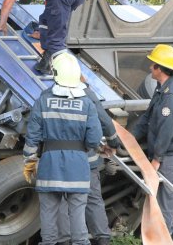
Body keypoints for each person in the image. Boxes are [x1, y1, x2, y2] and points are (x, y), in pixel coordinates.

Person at [23, 52, 102, 245]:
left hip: (50, 165)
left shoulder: (44, 100)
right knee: (77, 215)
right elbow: (94, 139)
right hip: (78, 167)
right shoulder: (86, 103)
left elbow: (32, 135)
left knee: (49, 216)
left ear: (56, 73)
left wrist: (29, 161)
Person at [132, 44, 173, 243]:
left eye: (153, 64)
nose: (150, 68)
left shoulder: (171, 96)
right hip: (166, 153)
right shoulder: (162, 90)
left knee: (164, 206)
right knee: (157, 204)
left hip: (170, 156)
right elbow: (146, 119)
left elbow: (167, 130)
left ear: (160, 68)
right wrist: (126, 139)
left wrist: (157, 158)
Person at [57, 84, 121, 245]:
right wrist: (113, 142)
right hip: (87, 160)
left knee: (62, 201)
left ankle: (65, 240)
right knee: (93, 200)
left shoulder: (49, 94)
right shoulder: (86, 93)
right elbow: (104, 121)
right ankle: (103, 240)